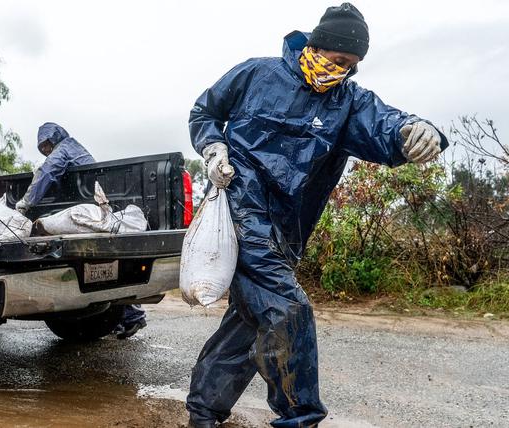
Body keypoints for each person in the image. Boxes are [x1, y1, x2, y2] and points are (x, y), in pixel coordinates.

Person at [185, 3, 447, 427]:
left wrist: (418, 130)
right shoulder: (256, 74)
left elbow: (386, 125)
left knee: (251, 322)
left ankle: (202, 413)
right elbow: (205, 112)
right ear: (317, 44)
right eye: (338, 59)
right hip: (239, 214)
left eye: (352, 66)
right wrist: (213, 145)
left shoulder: (348, 104)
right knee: (289, 311)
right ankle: (300, 420)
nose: (341, 71)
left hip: (287, 231)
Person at [16, 122, 148, 339]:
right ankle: (128, 317)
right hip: (94, 207)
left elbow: (47, 174)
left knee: (99, 273)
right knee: (106, 270)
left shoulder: (65, 149)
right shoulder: (73, 148)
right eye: (43, 148)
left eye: (47, 145)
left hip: (89, 212)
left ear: (55, 138)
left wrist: (25, 203)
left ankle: (132, 316)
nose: (47, 150)